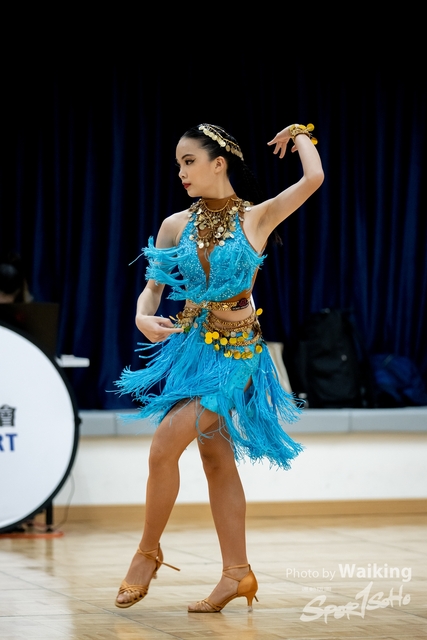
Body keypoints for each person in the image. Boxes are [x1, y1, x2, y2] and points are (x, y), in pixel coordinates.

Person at [114, 122, 324, 612]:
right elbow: (152, 289)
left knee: (163, 447)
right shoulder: (174, 225)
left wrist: (299, 134)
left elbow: (312, 178)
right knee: (215, 459)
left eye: (189, 161)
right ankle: (237, 573)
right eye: (178, 164)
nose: (182, 172)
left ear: (219, 163)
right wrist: (142, 316)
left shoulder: (257, 217)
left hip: (238, 355)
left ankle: (147, 553)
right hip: (191, 351)